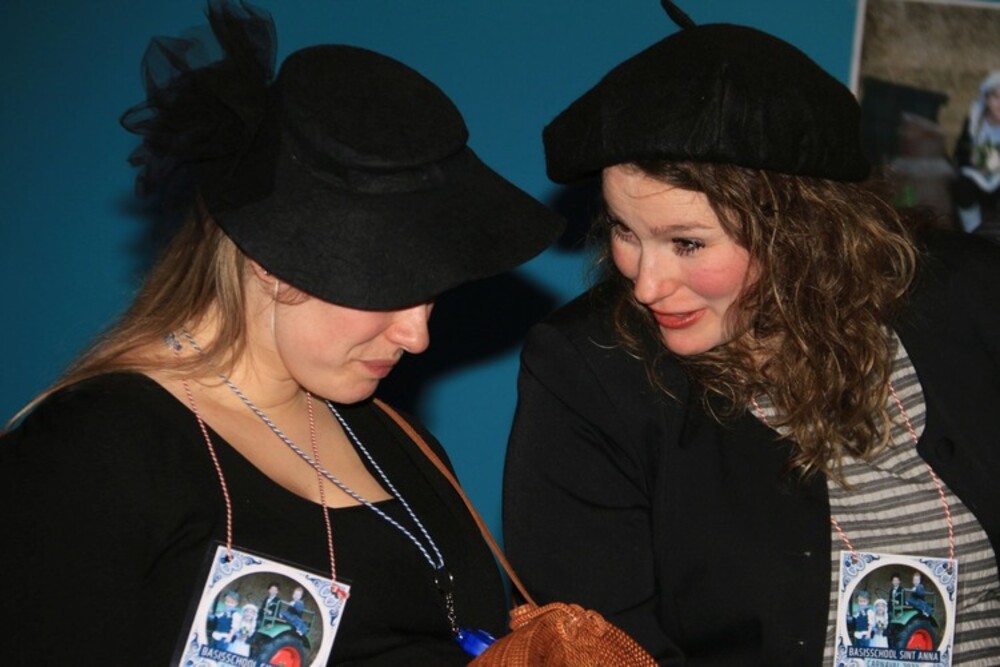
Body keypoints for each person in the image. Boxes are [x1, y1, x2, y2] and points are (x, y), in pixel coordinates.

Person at [0, 1, 563, 665]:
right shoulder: (94, 451)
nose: (418, 336)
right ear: (272, 263)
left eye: (432, 292)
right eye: (392, 291)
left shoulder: (394, 437)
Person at [503, 5, 1000, 665]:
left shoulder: (970, 298)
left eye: (687, 243)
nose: (646, 283)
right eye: (625, 230)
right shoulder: (589, 372)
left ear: (801, 231)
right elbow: (599, 646)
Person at [953, 71, 1000, 233]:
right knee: (963, 187)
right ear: (987, 99)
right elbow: (961, 151)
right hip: (978, 176)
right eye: (996, 97)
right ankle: (973, 231)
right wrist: (973, 161)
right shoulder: (975, 121)